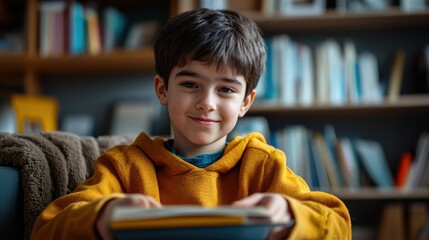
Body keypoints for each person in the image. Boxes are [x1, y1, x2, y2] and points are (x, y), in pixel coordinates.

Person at [31, 8, 351, 240]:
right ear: (162, 90)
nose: (206, 102)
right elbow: (47, 228)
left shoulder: (262, 164)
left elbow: (338, 225)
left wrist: (289, 216)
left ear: (245, 103)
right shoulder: (124, 166)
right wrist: (103, 217)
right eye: (190, 84)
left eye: (225, 89)